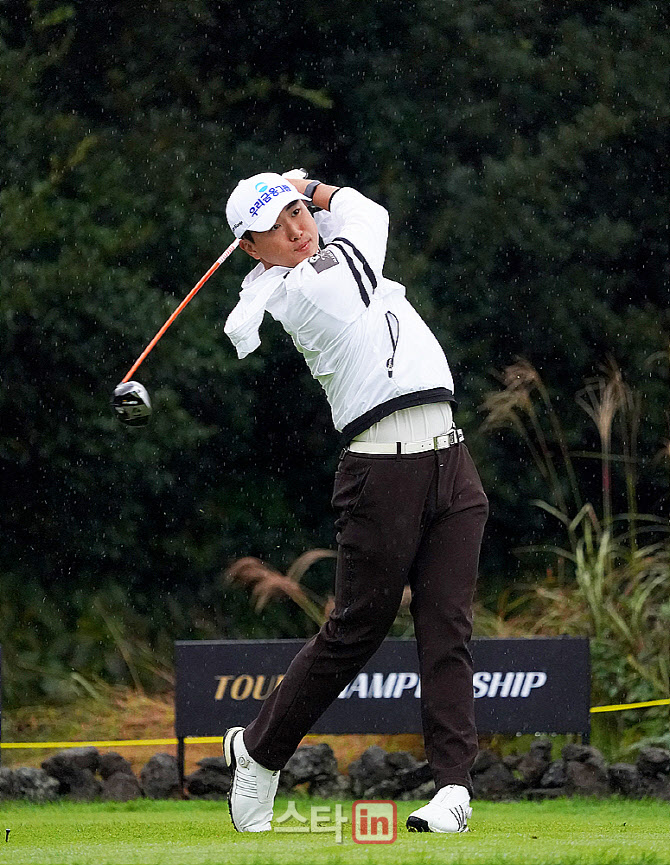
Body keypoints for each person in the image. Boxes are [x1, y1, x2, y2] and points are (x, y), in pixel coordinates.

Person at [222, 170, 488, 834]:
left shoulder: (316, 253)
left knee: (447, 628)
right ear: (252, 251)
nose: (295, 228)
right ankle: (259, 750)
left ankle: (453, 789)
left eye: (295, 214)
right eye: (275, 228)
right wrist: (312, 188)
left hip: (452, 462)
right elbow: (370, 215)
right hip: (381, 474)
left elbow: (352, 222)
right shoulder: (305, 290)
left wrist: (298, 191)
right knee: (354, 632)